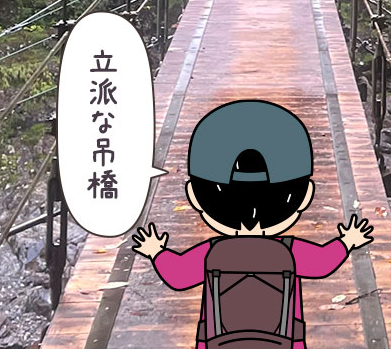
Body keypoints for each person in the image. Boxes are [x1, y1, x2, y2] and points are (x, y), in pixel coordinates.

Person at [132, 99, 374, 349]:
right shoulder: (291, 251)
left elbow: (178, 276)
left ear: (195, 196)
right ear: (304, 197)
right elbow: (322, 264)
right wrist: (347, 241)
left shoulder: (211, 251)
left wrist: (156, 252)